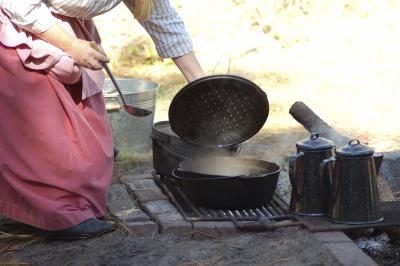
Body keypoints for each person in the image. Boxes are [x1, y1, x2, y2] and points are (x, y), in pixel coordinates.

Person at [0, 0, 205, 240]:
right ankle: (56, 215)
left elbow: (161, 18)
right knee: (47, 141)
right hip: (18, 28)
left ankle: (72, 206)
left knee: (92, 147)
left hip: (64, 30)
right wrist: (71, 45)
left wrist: (201, 83)